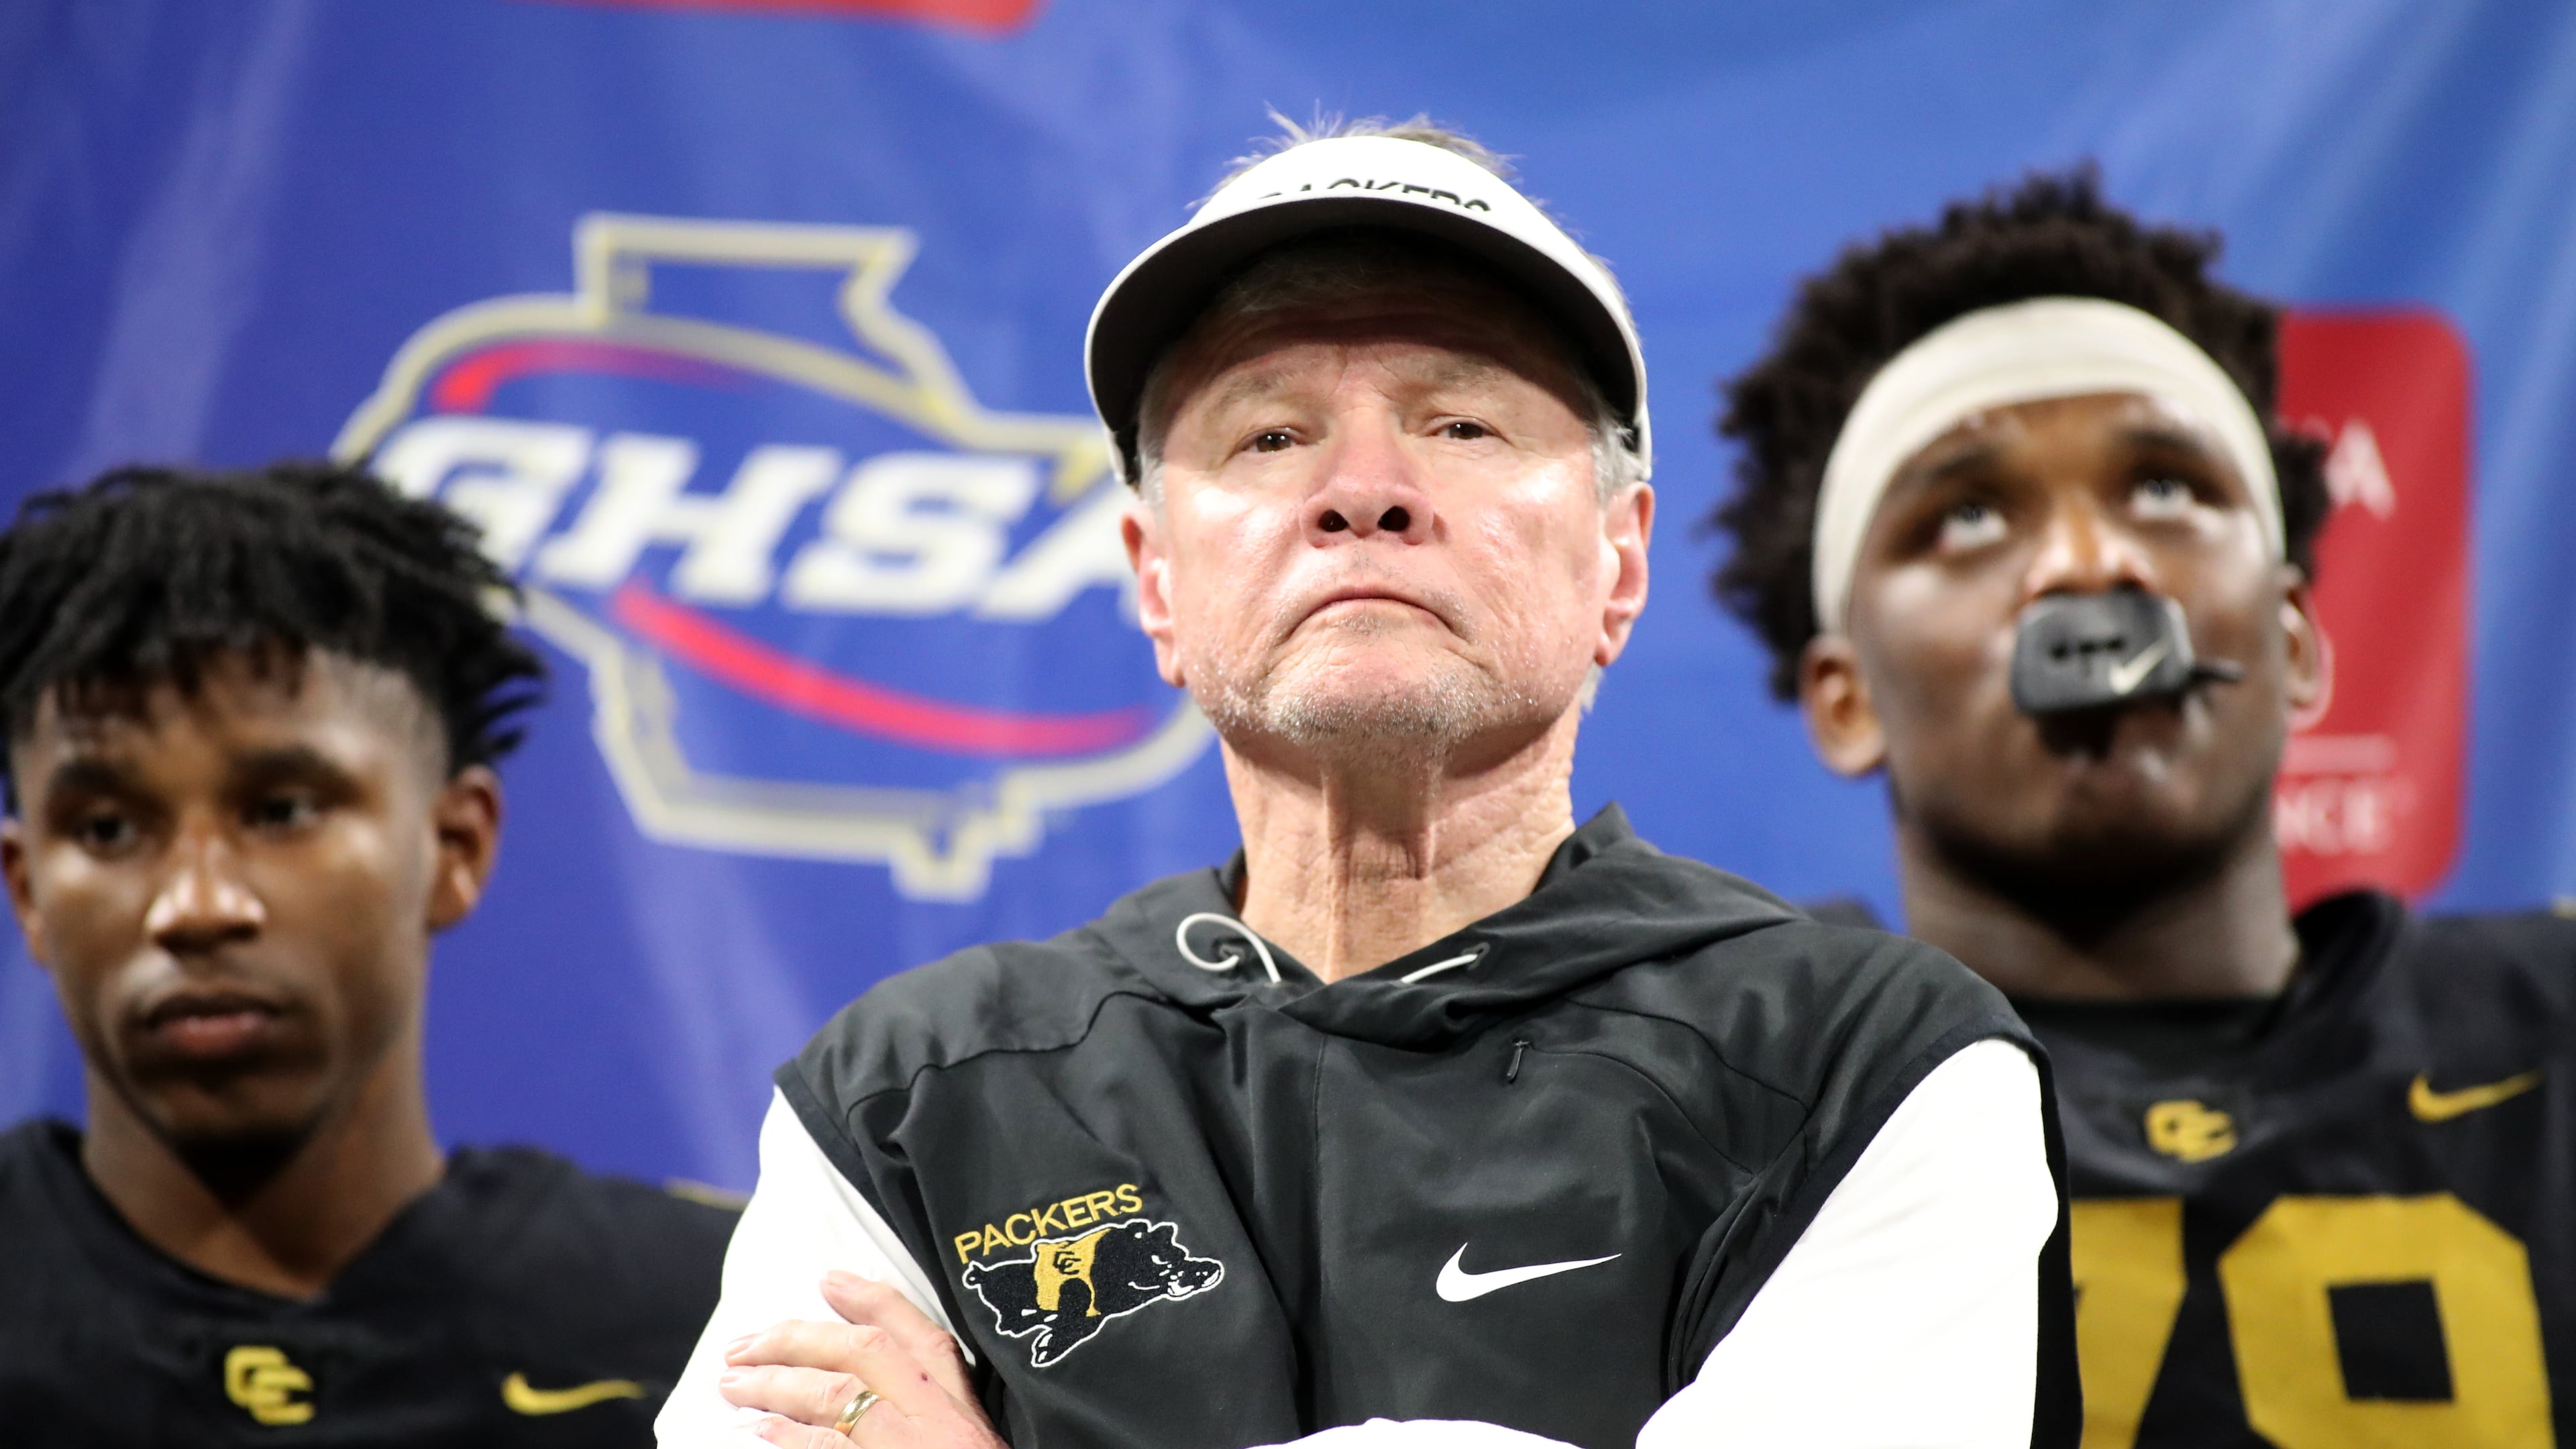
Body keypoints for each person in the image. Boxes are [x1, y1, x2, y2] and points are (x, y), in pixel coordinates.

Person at [659, 120, 2078, 1449]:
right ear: (1157, 580)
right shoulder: (914, 1096)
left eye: (1460, 423)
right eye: (1269, 437)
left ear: (1619, 561)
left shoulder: (1864, 1064)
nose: (1364, 490)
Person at [1711, 168, 2576, 1448]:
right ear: (1846, 697)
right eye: (1966, 515)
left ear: (2294, 643)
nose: (2086, 567)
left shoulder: (2552, 1034)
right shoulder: (1732, 1097)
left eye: (2166, 487)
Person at [0, 462, 738, 1444]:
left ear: (456, 847)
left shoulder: (726, 1325)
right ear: (27, 891)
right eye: (105, 828)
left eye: (282, 811)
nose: (196, 904)